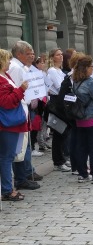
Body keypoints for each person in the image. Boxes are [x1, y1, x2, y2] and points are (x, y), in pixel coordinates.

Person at [8, 41, 42, 189]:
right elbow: (16, 90)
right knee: (20, 147)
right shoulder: (16, 68)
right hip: (20, 109)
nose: (30, 56)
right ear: (19, 54)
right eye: (27, 53)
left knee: (22, 146)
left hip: (23, 108)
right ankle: (21, 178)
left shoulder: (21, 67)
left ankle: (24, 175)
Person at [72, 53, 93, 183]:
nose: (92, 68)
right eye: (91, 66)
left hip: (80, 118)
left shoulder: (76, 82)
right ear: (86, 68)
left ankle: (82, 174)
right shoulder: (90, 82)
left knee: (82, 147)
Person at [0, 49, 29, 201]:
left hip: (11, 122)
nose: (10, 62)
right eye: (7, 59)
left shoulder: (5, 75)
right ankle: (6, 190)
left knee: (7, 156)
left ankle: (7, 188)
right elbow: (6, 102)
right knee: (6, 157)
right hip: (7, 124)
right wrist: (21, 90)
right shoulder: (0, 79)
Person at [47, 48, 71, 172]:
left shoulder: (60, 70)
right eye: (58, 55)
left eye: (62, 54)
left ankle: (63, 157)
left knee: (64, 132)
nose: (61, 56)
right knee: (58, 132)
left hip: (63, 101)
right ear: (52, 57)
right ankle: (58, 161)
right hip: (56, 101)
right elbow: (60, 85)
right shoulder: (52, 71)